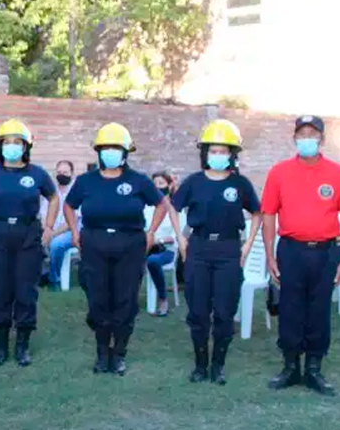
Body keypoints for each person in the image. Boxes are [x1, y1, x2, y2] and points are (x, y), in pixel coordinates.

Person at [64, 123, 183, 376]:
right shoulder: (86, 181)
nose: (110, 153)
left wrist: (151, 232)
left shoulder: (138, 180)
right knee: (98, 299)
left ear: (126, 151)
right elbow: (69, 206)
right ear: (98, 152)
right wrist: (75, 233)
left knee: (125, 300)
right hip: (94, 243)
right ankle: (101, 352)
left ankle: (118, 353)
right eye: (105, 148)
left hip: (130, 244)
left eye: (115, 148)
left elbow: (162, 205)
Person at [262, 115, 340, 396]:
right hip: (290, 250)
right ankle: (290, 367)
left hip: (326, 252)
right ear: (294, 139)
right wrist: (269, 255)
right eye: (301, 134)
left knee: (319, 310)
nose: (307, 139)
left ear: (322, 139)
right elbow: (268, 215)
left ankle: (314, 369)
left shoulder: (339, 174)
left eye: (312, 134)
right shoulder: (279, 172)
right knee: (289, 308)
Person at [171, 119, 262, 385]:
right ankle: (200, 365)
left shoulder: (240, 184)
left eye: (224, 151)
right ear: (205, 153)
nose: (218, 156)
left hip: (228, 249)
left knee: (224, 312)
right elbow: (172, 207)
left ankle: (218, 366)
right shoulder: (194, 182)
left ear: (232, 155)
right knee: (198, 311)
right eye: (213, 150)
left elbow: (258, 213)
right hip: (198, 248)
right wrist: (181, 239)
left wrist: (247, 245)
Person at [0, 119, 58, 367]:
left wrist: (49, 227)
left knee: (26, 292)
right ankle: (1, 346)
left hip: (28, 236)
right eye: (7, 142)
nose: (12, 146)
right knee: (0, 291)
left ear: (26, 147)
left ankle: (22, 346)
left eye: (18, 142)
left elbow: (53, 197)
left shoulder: (37, 173)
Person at [40, 160, 80, 291]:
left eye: (65, 172)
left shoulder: (77, 192)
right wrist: (46, 229)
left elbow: (72, 221)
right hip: (51, 230)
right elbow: (43, 214)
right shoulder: (51, 192)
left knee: (56, 244)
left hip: (72, 232)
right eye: (59, 172)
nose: (62, 175)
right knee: (29, 240)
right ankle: (40, 274)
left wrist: (52, 234)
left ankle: (54, 279)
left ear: (72, 174)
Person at [144, 171, 177, 316]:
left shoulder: (176, 209)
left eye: (161, 184)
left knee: (152, 261)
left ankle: (163, 298)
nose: (158, 187)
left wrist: (158, 240)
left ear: (169, 186)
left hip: (166, 250)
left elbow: (177, 237)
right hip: (146, 247)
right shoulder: (147, 208)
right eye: (155, 184)